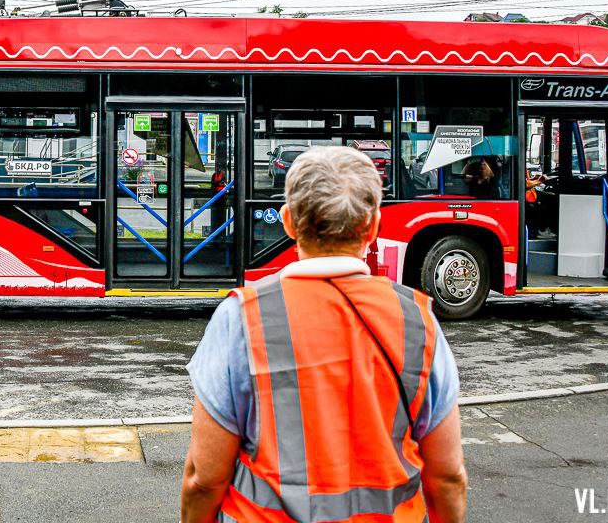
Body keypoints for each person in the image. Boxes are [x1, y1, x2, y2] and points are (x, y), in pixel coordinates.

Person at [181, 146, 467, 523]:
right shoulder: (417, 319)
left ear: (287, 222)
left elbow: (203, 479)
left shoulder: (242, 317)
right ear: (374, 226)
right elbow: (447, 477)